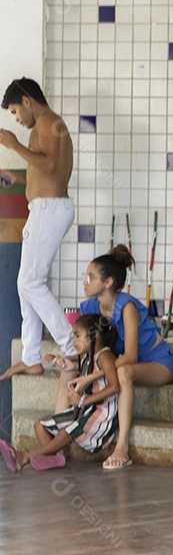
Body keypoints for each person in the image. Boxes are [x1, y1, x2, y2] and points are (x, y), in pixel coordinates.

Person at [0, 78, 76, 380]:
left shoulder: (47, 122)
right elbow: (44, 170)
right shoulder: (46, 125)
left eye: (17, 112)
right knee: (26, 284)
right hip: (46, 209)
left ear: (28, 101)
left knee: (31, 284)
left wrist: (14, 144)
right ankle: (31, 357)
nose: (18, 120)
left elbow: (50, 166)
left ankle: (71, 347)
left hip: (49, 210)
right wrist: (18, 179)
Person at [78, 245, 173, 469]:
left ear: (108, 282)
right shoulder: (90, 307)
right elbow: (89, 347)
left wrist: (96, 374)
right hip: (123, 364)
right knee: (69, 371)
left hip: (158, 363)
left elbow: (131, 356)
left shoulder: (127, 307)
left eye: (91, 277)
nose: (85, 281)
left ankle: (122, 447)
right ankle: (64, 430)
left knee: (123, 372)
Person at [0, 314, 119, 473]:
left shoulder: (105, 356)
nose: (74, 340)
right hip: (84, 410)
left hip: (101, 416)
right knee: (40, 425)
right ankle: (54, 458)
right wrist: (60, 359)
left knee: (66, 432)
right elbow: (76, 363)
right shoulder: (86, 356)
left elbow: (114, 387)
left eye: (77, 335)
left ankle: (23, 457)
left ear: (95, 336)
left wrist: (83, 400)